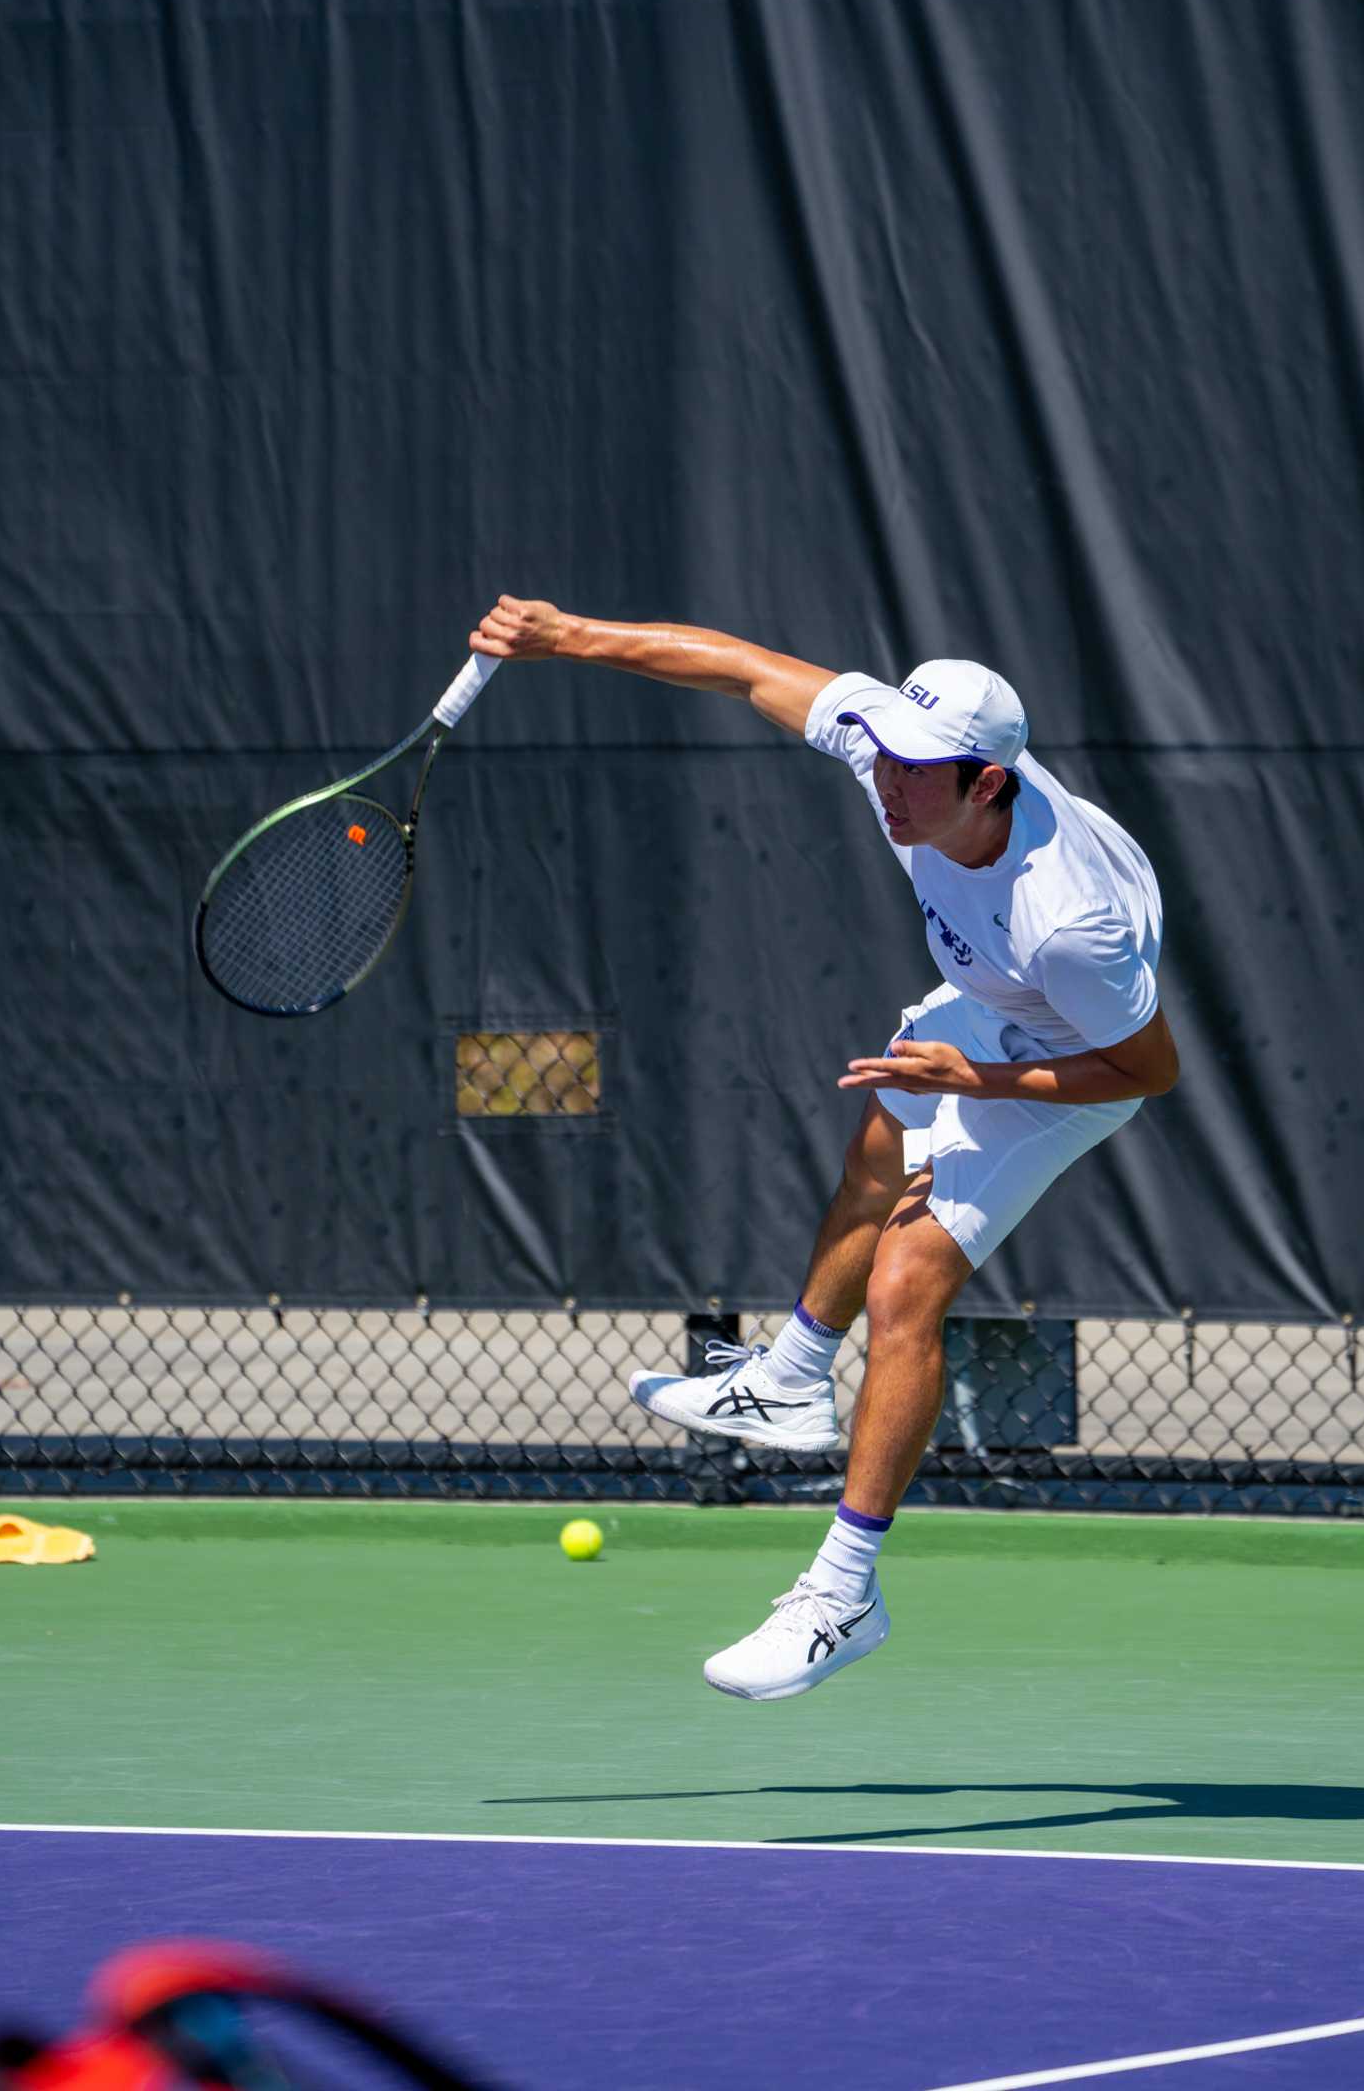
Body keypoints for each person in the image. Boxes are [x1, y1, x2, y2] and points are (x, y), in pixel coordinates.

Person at [470, 595, 1178, 1701]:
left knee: (905, 1286)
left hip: (1067, 1065)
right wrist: (570, 638)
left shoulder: (1065, 919)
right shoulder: (901, 759)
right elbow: (745, 668)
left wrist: (978, 1081)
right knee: (877, 1137)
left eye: (916, 772)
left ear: (985, 783)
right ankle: (791, 1383)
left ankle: (844, 1590)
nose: (888, 781)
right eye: (885, 755)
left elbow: (1147, 1072)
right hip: (1000, 1006)